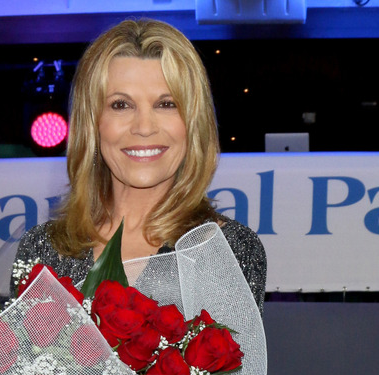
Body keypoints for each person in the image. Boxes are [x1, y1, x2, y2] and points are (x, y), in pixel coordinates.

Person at [14, 18, 266, 314]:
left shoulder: (228, 250)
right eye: (121, 105)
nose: (144, 127)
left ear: (193, 123)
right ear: (93, 123)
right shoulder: (43, 248)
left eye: (166, 104)